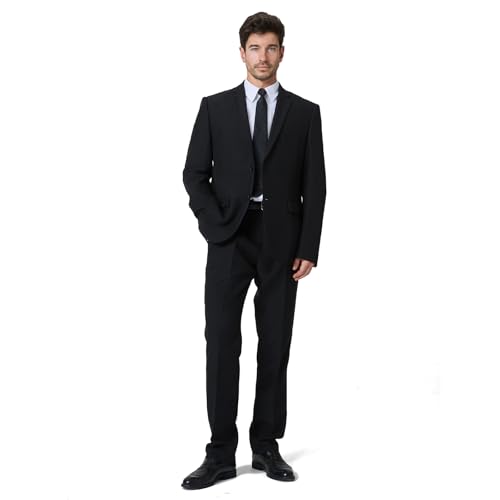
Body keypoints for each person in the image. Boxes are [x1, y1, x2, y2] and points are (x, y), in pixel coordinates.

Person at [181, 11, 326, 489]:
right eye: (255, 48)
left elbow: (315, 185)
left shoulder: (305, 113)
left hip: (282, 241)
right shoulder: (215, 108)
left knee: (275, 343)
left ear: (282, 52)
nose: (263, 57)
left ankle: (266, 445)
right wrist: (213, 225)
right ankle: (220, 452)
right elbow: (194, 174)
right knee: (222, 342)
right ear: (242, 52)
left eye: (271, 47)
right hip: (229, 237)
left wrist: (308, 246)